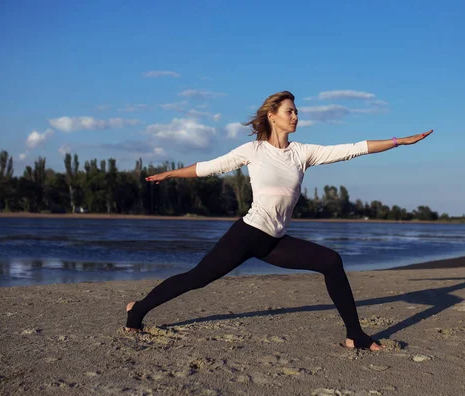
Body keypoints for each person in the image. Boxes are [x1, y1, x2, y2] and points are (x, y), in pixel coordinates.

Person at [126, 90, 433, 351]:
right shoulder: (254, 150)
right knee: (197, 279)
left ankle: (355, 335)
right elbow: (209, 167)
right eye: (290, 111)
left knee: (331, 261)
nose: (296, 116)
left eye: (297, 112)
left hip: (274, 240)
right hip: (247, 234)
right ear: (272, 115)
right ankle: (137, 310)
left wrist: (400, 141)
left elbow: (351, 150)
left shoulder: (303, 153)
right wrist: (169, 173)